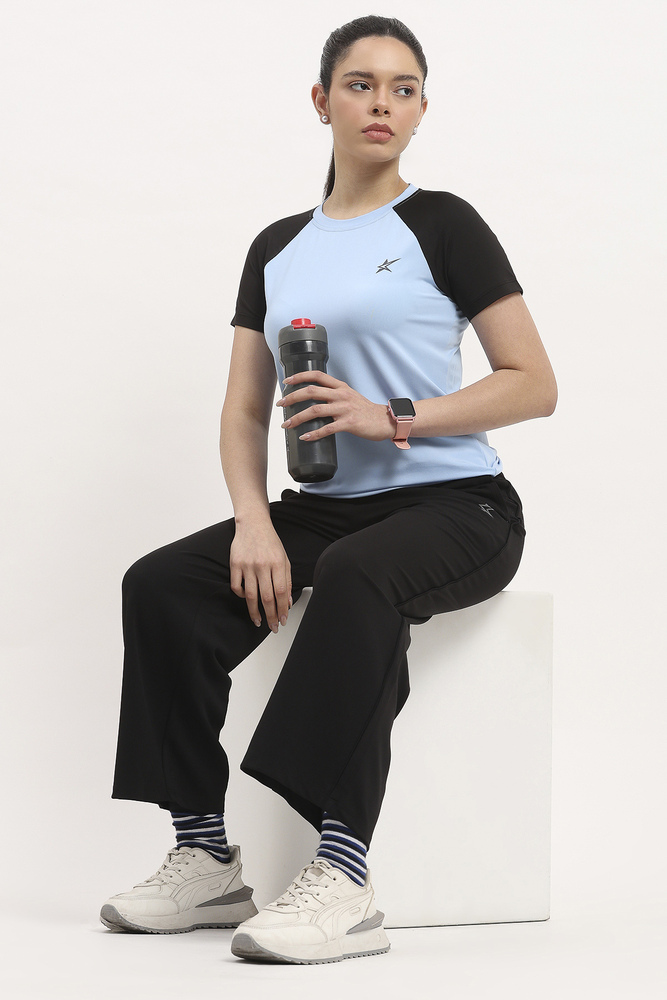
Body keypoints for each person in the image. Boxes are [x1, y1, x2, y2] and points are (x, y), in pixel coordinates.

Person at [100, 15, 557, 964]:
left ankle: (343, 875)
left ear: (421, 110)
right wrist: (253, 521)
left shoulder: (442, 223)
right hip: (323, 508)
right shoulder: (277, 247)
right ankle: (203, 856)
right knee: (161, 584)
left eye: (402, 88)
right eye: (360, 84)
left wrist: (393, 416)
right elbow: (243, 410)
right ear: (322, 101)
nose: (381, 102)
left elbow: (532, 383)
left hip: (456, 503)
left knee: (357, 573)